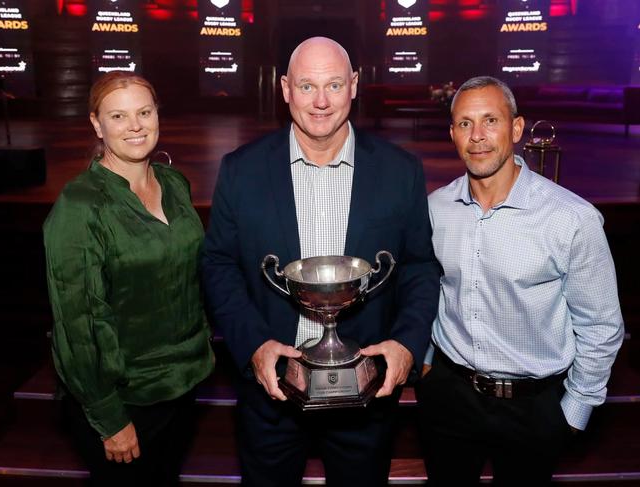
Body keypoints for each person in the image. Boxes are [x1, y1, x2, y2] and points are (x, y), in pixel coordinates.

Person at [201, 36, 440, 486]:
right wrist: (254, 345)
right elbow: (218, 264)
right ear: (285, 88)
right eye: (307, 86)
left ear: (353, 85)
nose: (322, 102)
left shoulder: (400, 170)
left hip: (367, 392)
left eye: (333, 84)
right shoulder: (241, 170)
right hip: (271, 391)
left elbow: (419, 267)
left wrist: (407, 345)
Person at [417, 75, 625, 486]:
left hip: (533, 407)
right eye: (464, 123)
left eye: (490, 121)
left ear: (515, 128)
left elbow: (602, 326)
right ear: (453, 134)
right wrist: (426, 364)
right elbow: (432, 288)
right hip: (450, 396)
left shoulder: (571, 218)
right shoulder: (436, 208)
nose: (477, 136)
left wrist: (574, 410)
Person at [44, 71, 214, 485]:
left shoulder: (174, 184)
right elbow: (78, 324)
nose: (135, 125)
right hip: (125, 398)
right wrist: (109, 417)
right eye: (118, 116)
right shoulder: (81, 206)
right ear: (97, 124)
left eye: (144, 112)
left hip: (183, 384)